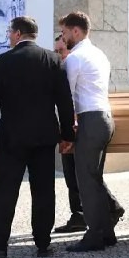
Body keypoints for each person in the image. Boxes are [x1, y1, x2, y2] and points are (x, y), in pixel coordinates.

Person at [0, 17, 75, 258]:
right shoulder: (53, 60)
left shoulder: (2, 61)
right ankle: (43, 242)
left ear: (17, 33)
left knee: (5, 190)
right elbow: (64, 101)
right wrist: (67, 134)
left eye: (10, 32)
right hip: (44, 136)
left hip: (12, 137)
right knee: (44, 190)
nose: (9, 36)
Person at [60, 11, 123, 253]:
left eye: (65, 33)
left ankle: (95, 235)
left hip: (89, 119)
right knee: (94, 176)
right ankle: (107, 231)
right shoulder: (99, 54)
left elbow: (67, 97)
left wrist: (66, 130)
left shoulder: (75, 58)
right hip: (105, 118)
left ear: (76, 31)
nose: (63, 38)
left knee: (85, 180)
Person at [52, 34, 87, 235]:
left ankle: (107, 208)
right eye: (56, 52)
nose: (59, 56)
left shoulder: (73, 68)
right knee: (70, 174)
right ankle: (78, 215)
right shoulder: (59, 70)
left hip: (76, 127)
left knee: (81, 174)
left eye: (61, 51)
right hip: (64, 127)